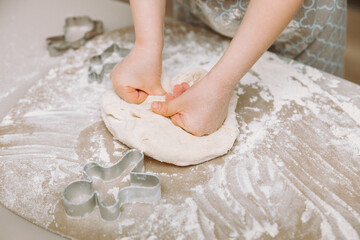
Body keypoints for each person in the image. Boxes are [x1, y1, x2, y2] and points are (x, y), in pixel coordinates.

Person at [110, 0, 346, 136]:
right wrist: (146, 45)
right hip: (204, 10)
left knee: (308, 124)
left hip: (299, 21)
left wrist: (218, 85)